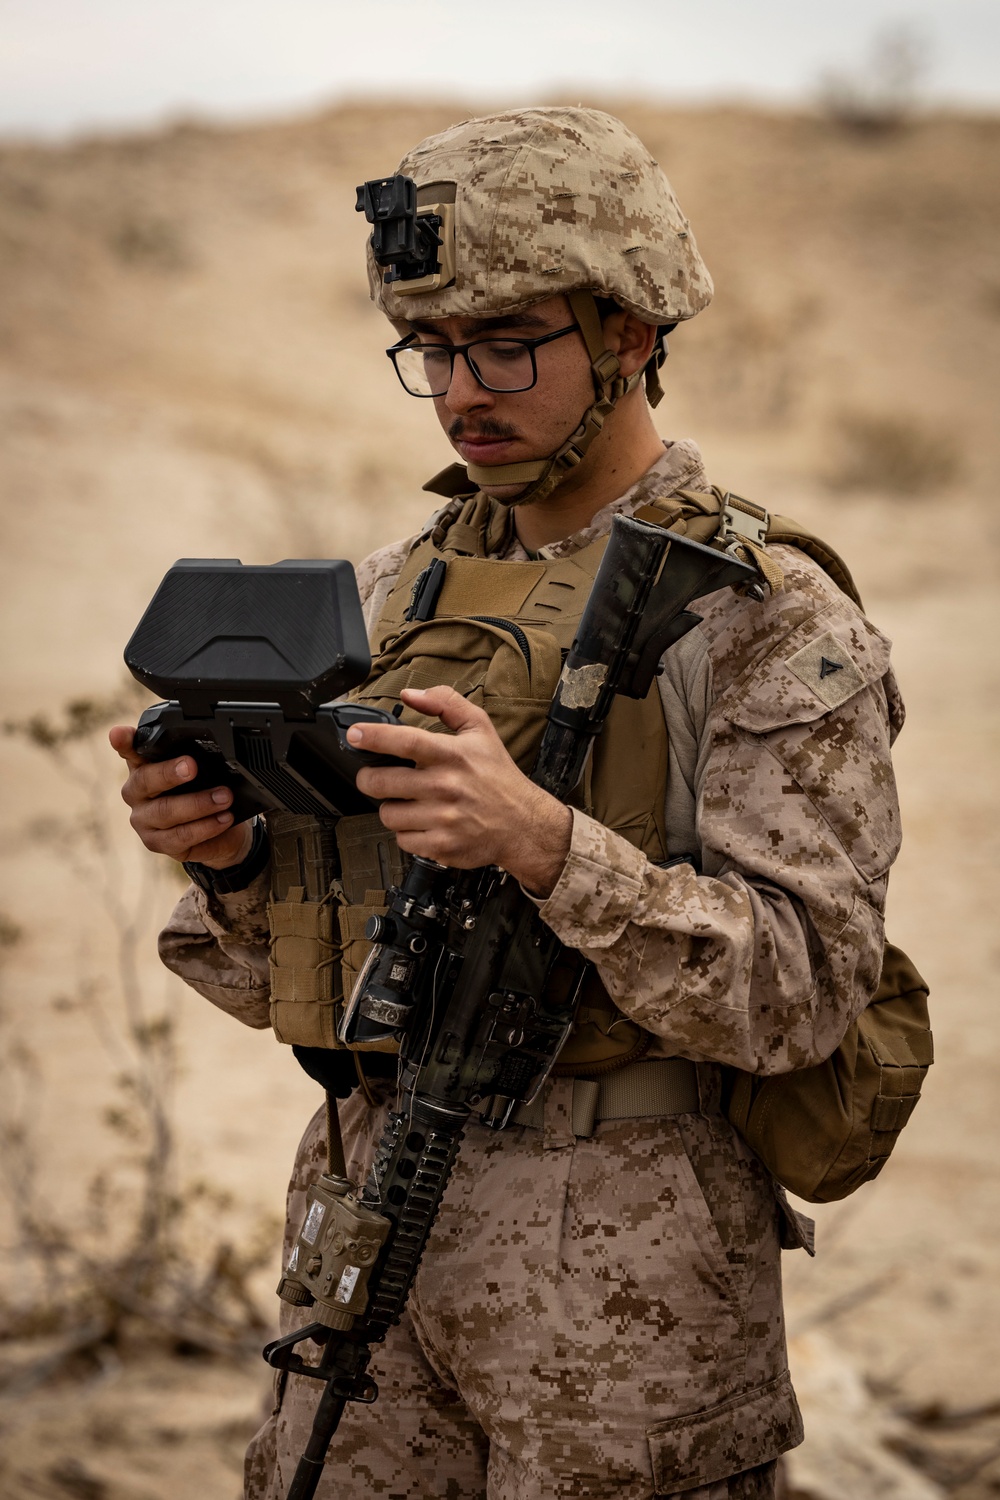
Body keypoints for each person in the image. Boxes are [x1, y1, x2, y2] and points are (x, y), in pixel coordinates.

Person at [111, 108, 903, 1500]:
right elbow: (284, 981)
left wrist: (545, 847)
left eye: (509, 341)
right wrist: (228, 858)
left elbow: (804, 991)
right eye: (433, 349)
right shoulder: (384, 597)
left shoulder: (763, 617)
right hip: (367, 1243)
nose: (464, 388)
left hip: (628, 1274)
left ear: (631, 332)